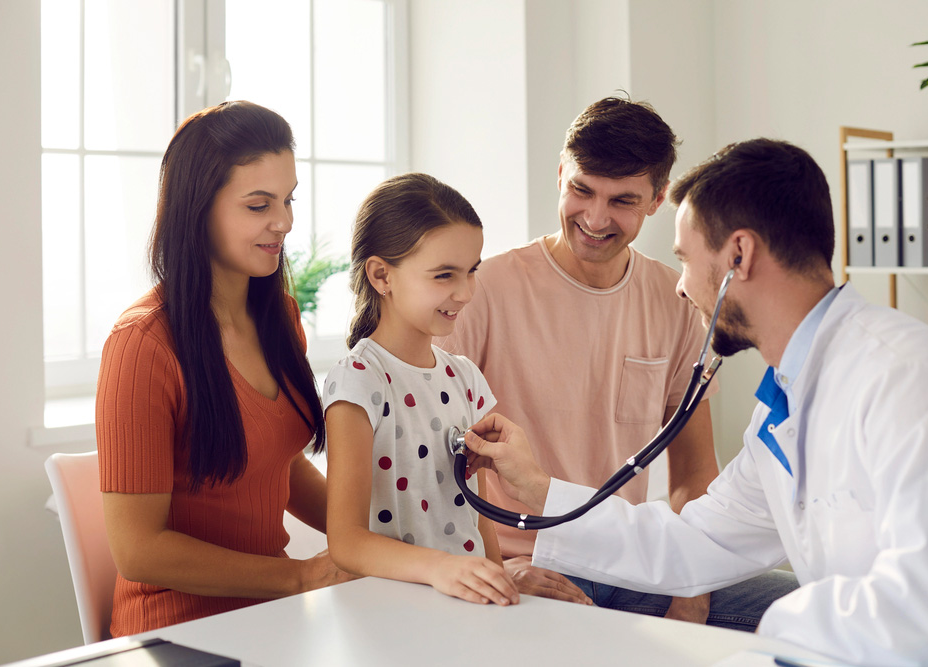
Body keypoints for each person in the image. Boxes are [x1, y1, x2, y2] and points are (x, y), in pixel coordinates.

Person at [462, 138, 928, 666]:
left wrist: (775, 636)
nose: (682, 288)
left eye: (686, 260)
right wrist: (539, 489)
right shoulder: (784, 406)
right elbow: (690, 542)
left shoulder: (908, 380)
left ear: (739, 255)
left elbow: (925, 620)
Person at [441, 94, 796, 627]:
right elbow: (433, 463)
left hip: (632, 561)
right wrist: (491, 567)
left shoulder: (676, 299)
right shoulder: (484, 290)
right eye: (581, 190)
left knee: (815, 605)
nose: (596, 217)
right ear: (561, 173)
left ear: (656, 201)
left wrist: (690, 586)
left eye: (623, 201)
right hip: (525, 564)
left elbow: (693, 471)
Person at [96, 101, 353, 637]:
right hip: (178, 630)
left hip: (274, 615)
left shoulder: (278, 315)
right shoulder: (141, 345)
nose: (282, 222)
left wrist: (377, 534)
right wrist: (301, 577)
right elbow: (139, 551)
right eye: (259, 205)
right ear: (198, 208)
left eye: (287, 200)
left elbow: (277, 464)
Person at [322, 173, 519, 607]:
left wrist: (499, 584)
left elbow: (479, 515)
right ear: (381, 276)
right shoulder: (359, 380)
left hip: (466, 606)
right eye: (444, 275)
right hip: (393, 613)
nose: (465, 292)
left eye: (471, 272)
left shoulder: (466, 378)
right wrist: (442, 568)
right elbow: (347, 542)